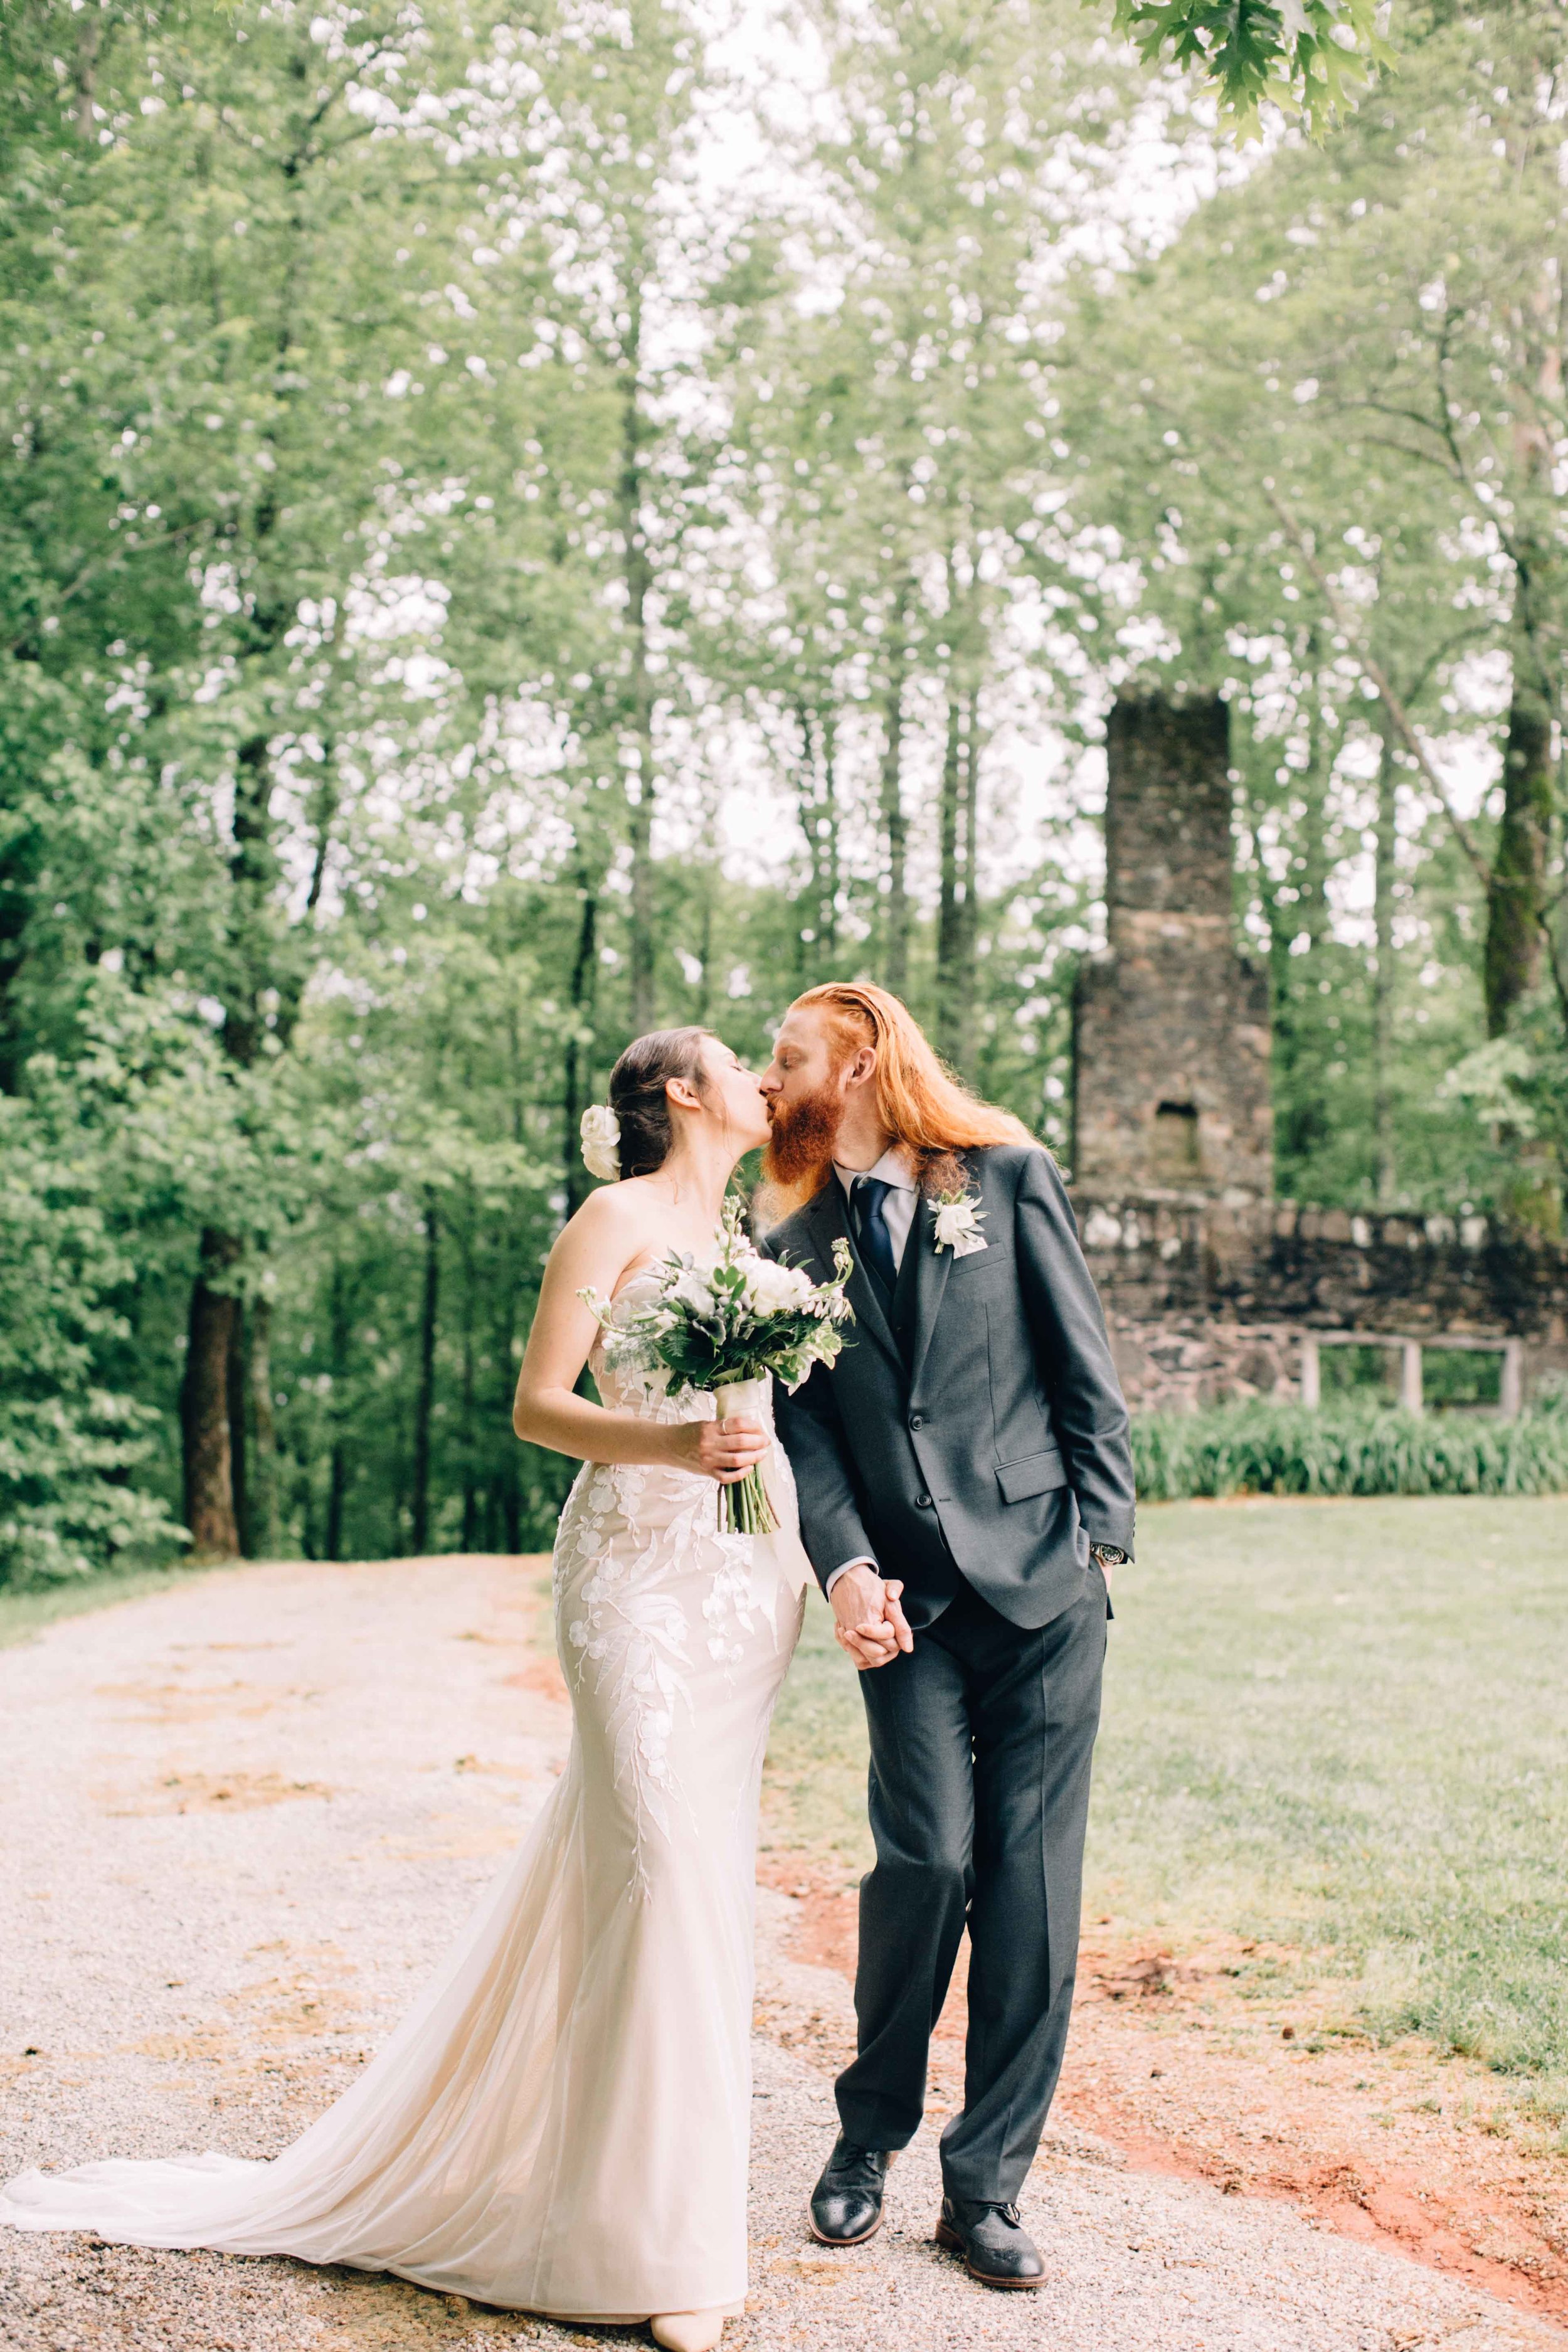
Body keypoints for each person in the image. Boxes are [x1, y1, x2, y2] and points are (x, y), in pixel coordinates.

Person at [0, 1029, 809, 2352]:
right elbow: (539, 1408)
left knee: (697, 1879)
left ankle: (672, 2224)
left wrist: (789, 1536)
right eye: (734, 1060)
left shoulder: (749, 1249)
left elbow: (774, 1424)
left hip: (736, 1590)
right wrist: (671, 1441)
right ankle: (650, 2246)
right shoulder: (608, 1222)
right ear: (680, 1093)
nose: (757, 1080)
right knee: (658, 1853)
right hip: (629, 1581)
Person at [758, 981, 1134, 2292]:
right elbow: (802, 1428)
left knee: (1028, 1892)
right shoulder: (795, 1240)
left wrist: (1101, 1540)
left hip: (1042, 1590)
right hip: (904, 1607)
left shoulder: (1010, 1177)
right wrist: (844, 1567)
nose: (766, 1080)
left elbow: (1080, 1365)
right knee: (922, 1861)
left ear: (855, 1059)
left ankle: (984, 2191)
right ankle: (865, 2141)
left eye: (785, 1056)